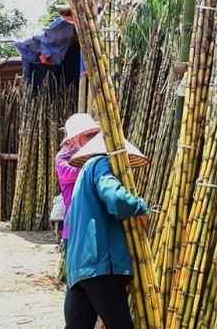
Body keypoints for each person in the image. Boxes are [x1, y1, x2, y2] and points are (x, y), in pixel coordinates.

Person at [64, 131, 150, 329]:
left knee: (78, 325)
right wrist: (140, 207)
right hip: (100, 263)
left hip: (80, 268)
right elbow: (116, 199)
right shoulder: (101, 164)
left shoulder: (83, 175)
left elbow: (70, 221)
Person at [56, 114, 101, 324]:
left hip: (94, 229)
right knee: (76, 283)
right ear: (74, 139)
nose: (93, 138)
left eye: (95, 134)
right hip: (74, 231)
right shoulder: (64, 159)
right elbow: (75, 173)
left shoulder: (96, 159)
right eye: (88, 135)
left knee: (94, 280)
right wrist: (98, 162)